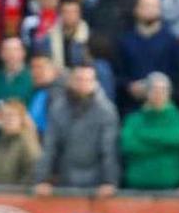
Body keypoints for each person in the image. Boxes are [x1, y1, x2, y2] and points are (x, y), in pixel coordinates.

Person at [34, 63, 120, 198]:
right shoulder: (58, 108)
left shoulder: (106, 111)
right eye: (79, 79)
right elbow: (49, 147)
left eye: (88, 80)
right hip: (65, 179)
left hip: (96, 184)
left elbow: (108, 149)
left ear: (95, 83)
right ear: (70, 81)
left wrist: (110, 181)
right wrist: (42, 179)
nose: (83, 84)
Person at [120, 72, 179, 190]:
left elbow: (176, 139)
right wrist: (163, 144)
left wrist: (143, 136)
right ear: (147, 93)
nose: (158, 94)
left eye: (162, 90)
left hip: (171, 185)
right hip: (137, 185)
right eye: (154, 90)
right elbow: (128, 145)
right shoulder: (132, 119)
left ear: (169, 93)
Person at [0, 100, 42, 186]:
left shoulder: (28, 142)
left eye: (12, 115)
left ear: (21, 118)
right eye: (4, 116)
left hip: (17, 196)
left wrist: (18, 192)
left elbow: (33, 171)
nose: (8, 119)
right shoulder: (1, 141)